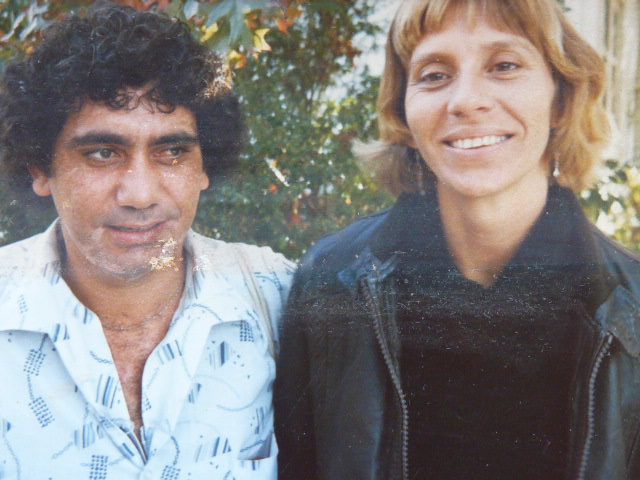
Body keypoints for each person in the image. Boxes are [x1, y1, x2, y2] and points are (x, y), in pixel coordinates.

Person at [274, 0, 640, 478]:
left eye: (504, 66)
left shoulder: (629, 307)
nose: (466, 100)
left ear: (561, 99)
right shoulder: (331, 281)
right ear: (404, 112)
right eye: (434, 74)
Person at [0, 3, 294, 478]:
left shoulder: (277, 296)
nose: (140, 194)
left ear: (203, 168)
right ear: (40, 167)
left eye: (172, 151)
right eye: (102, 153)